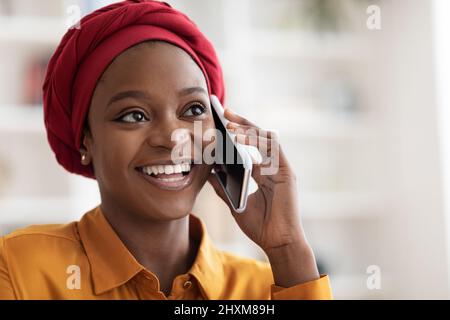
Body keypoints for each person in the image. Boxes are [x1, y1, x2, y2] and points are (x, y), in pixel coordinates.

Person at [0, 0, 332, 300]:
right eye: (134, 115)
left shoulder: (268, 287)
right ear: (86, 139)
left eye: (193, 111)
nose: (173, 139)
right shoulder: (19, 270)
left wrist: (288, 248)